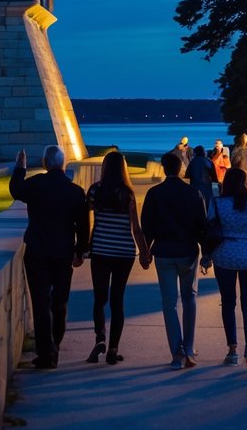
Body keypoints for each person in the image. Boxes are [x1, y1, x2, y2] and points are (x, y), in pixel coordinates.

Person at [10, 145, 90, 369]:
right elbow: (83, 226)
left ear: (46, 163)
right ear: (63, 164)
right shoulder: (75, 192)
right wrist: (81, 251)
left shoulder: (36, 185)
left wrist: (20, 167)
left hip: (38, 251)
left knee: (41, 302)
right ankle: (55, 344)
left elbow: (16, 190)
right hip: (63, 252)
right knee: (60, 301)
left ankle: (47, 352)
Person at [201, 169, 247, 368]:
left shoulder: (218, 203)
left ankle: (232, 349)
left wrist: (206, 257)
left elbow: (209, 232)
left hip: (224, 256)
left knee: (228, 302)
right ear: (245, 183)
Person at [141, 151, 208, 369]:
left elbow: (147, 226)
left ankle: (176, 352)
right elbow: (202, 226)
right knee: (190, 298)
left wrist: (145, 251)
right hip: (187, 251)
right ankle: (189, 348)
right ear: (180, 169)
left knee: (169, 303)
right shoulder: (193, 193)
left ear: (163, 168)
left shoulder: (154, 194)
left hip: (164, 252)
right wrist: (206, 253)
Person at [84, 151, 151, 365]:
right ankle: (113, 349)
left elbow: (88, 221)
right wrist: (145, 254)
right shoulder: (128, 194)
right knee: (117, 300)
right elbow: (136, 229)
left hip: (101, 251)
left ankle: (100, 338)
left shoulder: (95, 190)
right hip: (124, 252)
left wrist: (83, 247)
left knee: (99, 298)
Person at [185, 144, 215, 212]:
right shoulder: (209, 162)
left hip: (195, 188)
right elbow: (214, 177)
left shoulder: (192, 162)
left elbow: (187, 175)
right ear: (203, 152)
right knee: (207, 207)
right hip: (207, 188)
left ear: (195, 153)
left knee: (197, 208)